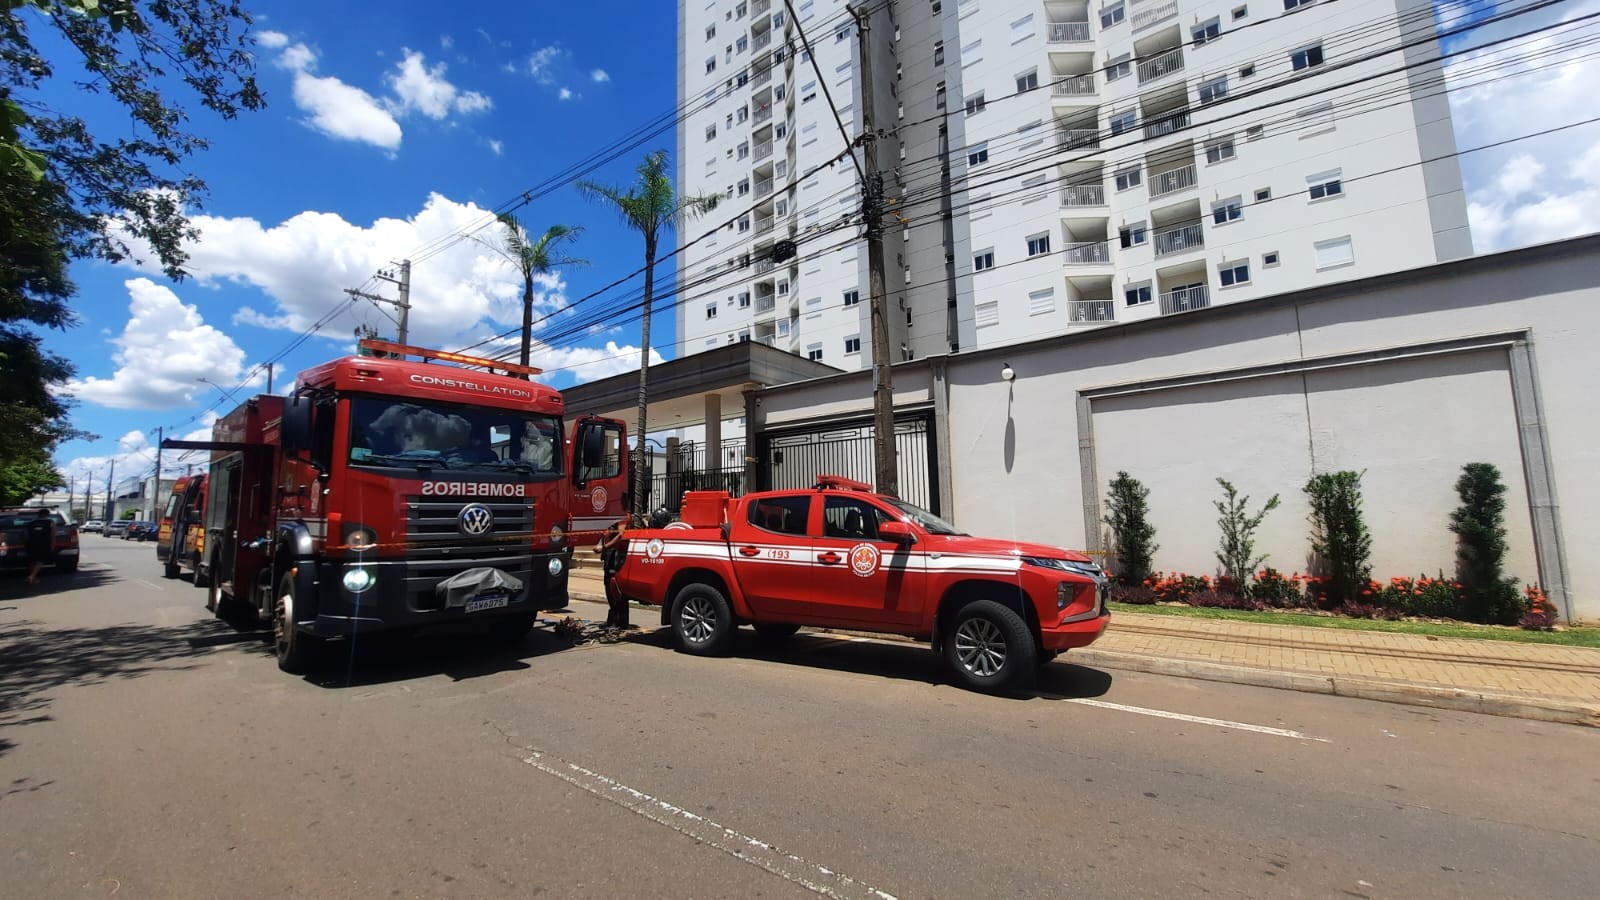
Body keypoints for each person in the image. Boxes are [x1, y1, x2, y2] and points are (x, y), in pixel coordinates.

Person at [598, 519, 632, 628]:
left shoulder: (621, 518)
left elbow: (621, 535)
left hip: (615, 556)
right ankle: (614, 619)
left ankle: (619, 620)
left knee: (614, 588)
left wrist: (605, 547)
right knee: (608, 586)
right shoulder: (611, 516)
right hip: (609, 555)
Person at [25, 509, 54, 585]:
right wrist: (52, 545)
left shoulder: (30, 523)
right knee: (40, 560)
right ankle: (32, 576)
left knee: (32, 561)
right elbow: (52, 535)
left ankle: (33, 578)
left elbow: (26, 535)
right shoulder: (50, 522)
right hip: (44, 544)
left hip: (31, 543)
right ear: (47, 515)